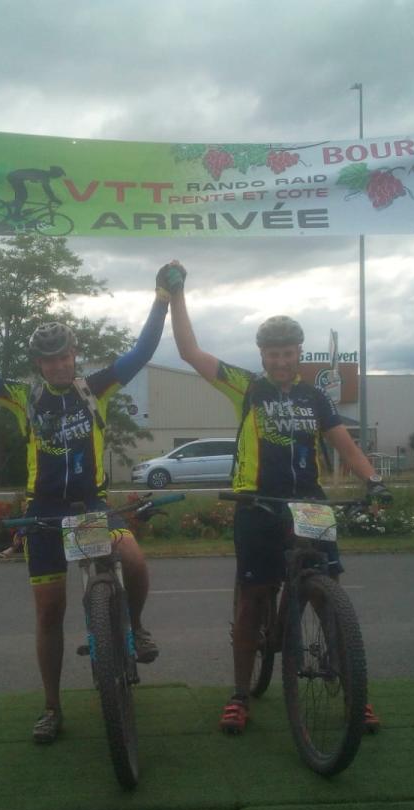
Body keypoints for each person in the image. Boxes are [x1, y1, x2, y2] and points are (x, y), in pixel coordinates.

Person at [0, 270, 171, 744]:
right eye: (49, 360)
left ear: (74, 354)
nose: (58, 365)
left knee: (133, 558)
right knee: (49, 613)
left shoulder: (96, 388)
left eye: (64, 356)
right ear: (39, 364)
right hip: (44, 511)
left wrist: (162, 299)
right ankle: (51, 707)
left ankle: (137, 627)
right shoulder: (24, 397)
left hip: (89, 505)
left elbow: (142, 352)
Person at [167, 261, 391, 734]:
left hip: (309, 503)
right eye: (273, 354)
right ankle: (239, 694)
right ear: (262, 355)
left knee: (329, 596)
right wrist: (177, 294)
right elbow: (189, 351)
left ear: (299, 353)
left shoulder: (316, 398)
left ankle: (354, 689)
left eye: (288, 353)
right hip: (257, 503)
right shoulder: (247, 387)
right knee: (252, 598)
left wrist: (374, 480)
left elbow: (344, 445)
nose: (282, 362)